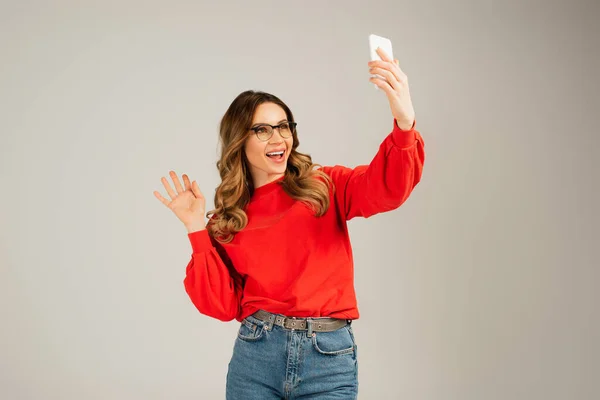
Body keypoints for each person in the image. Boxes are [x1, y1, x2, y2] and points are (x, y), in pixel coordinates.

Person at [153, 48, 425, 399]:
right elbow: (220, 305)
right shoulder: (229, 219)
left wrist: (404, 122)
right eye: (263, 130)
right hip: (257, 357)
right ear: (240, 141)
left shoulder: (324, 185)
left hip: (327, 357)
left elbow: (388, 188)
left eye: (283, 126)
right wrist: (195, 228)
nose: (279, 138)